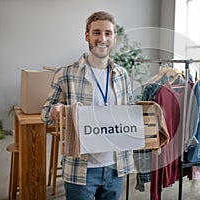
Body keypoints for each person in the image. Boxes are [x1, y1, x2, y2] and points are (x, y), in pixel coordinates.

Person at [41, 11, 135, 200]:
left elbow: (129, 111)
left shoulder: (122, 74)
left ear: (114, 38)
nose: (102, 38)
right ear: (87, 36)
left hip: (115, 166)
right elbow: (45, 113)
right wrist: (54, 111)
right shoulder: (66, 74)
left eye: (108, 33)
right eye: (97, 33)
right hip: (81, 169)